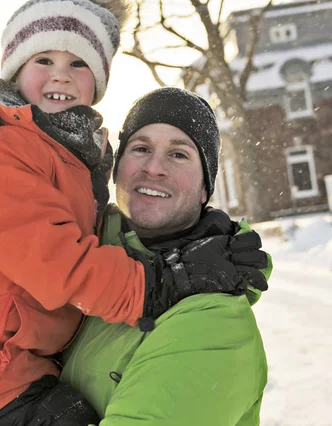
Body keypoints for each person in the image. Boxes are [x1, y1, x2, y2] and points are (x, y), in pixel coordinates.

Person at [0, 1, 267, 424]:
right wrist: (165, 283)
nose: (60, 73)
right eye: (43, 59)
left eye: (78, 62)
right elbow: (65, 265)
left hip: (15, 369)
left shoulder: (65, 157)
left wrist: (220, 242)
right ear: (14, 70)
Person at [60, 87, 272, 425]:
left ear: (205, 188)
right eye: (141, 148)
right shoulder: (71, 256)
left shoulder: (215, 323)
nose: (154, 168)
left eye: (179, 154)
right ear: (116, 169)